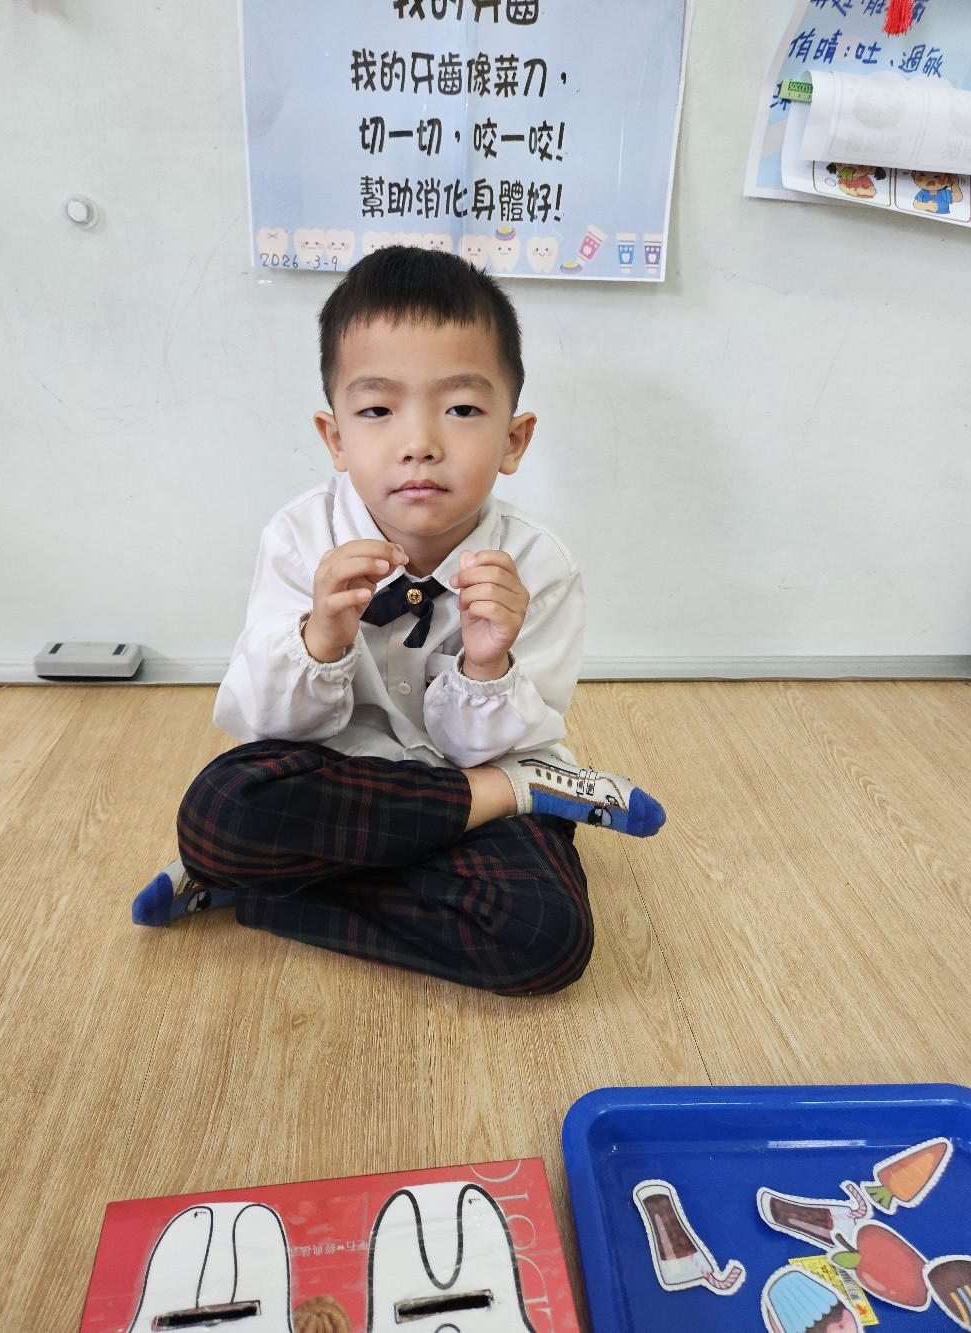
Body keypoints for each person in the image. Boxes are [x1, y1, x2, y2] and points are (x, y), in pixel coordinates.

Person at [132, 246, 665, 994]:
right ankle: (524, 791)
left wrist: (487, 664)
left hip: (466, 782)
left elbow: (498, 744)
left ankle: (251, 886)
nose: (420, 444)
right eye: (378, 410)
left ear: (513, 440)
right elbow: (262, 721)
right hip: (345, 789)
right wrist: (320, 640)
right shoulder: (300, 539)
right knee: (220, 811)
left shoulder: (538, 567)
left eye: (462, 409)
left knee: (545, 937)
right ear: (336, 438)